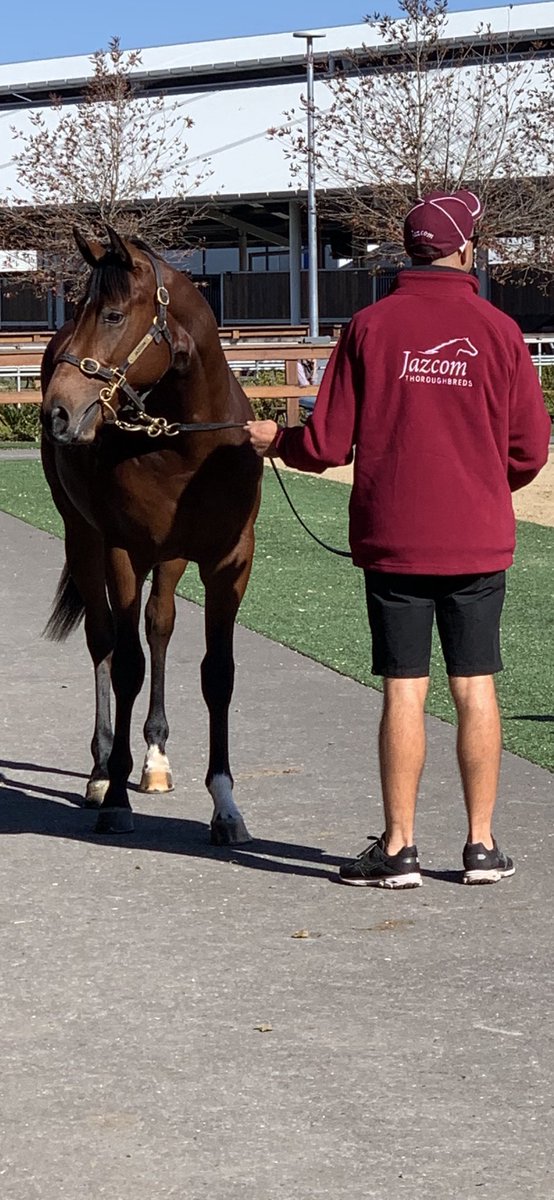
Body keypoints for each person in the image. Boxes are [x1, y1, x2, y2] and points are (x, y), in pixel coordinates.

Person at [245, 189, 551, 888]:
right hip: (476, 538)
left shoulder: (369, 327)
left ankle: (399, 847)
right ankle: (481, 846)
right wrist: (481, 484)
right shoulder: (500, 330)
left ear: (409, 250)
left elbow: (326, 445)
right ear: (465, 249)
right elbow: (530, 449)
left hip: (395, 539)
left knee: (404, 690)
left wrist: (275, 440)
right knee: (476, 685)